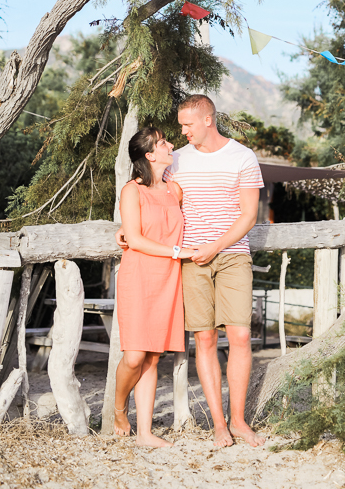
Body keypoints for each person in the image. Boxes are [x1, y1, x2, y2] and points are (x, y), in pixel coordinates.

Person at [118, 95, 265, 447]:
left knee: (241, 336)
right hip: (188, 261)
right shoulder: (176, 161)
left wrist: (215, 246)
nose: (182, 132)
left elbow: (249, 215)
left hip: (231, 255)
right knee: (204, 338)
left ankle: (240, 421)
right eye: (179, 127)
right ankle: (218, 424)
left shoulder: (243, 157)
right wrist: (124, 230)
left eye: (187, 125)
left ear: (208, 121)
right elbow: (148, 192)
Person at [113, 127, 194, 447]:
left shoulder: (175, 190)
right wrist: (177, 251)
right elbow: (133, 238)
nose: (170, 144)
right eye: (163, 143)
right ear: (149, 155)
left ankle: (145, 433)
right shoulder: (131, 191)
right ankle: (120, 409)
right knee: (134, 356)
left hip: (169, 279)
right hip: (139, 276)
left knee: (152, 357)